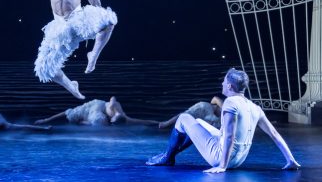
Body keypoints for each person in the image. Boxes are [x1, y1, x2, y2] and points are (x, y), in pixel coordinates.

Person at [146, 68, 300, 173]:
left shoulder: (230, 103)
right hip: (240, 159)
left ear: (229, 86)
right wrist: (291, 160)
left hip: (222, 157)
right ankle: (169, 155)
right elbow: (274, 133)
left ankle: (168, 158)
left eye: (224, 82)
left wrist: (222, 166)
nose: (221, 84)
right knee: (198, 122)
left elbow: (229, 136)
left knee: (183, 118)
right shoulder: (255, 107)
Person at [34, 0, 118, 100]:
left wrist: (99, 20)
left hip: (78, 22)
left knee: (110, 20)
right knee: (44, 69)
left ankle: (93, 56)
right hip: (59, 28)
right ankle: (71, 86)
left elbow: (97, 4)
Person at [34, 96, 159, 126]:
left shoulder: (121, 117)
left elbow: (139, 120)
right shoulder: (115, 110)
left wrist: (155, 123)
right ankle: (46, 120)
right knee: (72, 113)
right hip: (97, 106)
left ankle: (82, 121)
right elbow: (113, 98)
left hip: (97, 110)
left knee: (92, 119)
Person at [158, 96, 223, 129]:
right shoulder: (227, 105)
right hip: (206, 110)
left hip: (210, 121)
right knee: (185, 115)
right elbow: (215, 99)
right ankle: (166, 123)